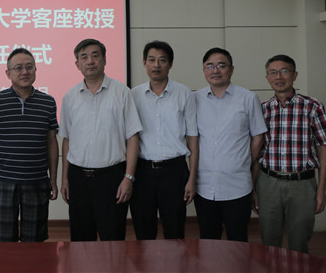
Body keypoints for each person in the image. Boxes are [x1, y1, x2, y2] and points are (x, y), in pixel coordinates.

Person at [59, 38, 142, 241]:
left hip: (112, 178)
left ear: (104, 60)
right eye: (84, 57)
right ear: (77, 64)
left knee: (112, 240)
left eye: (95, 56)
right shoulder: (70, 97)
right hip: (78, 179)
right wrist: (65, 178)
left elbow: (133, 137)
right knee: (81, 241)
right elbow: (67, 140)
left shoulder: (122, 93)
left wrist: (128, 178)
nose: (90, 61)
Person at [254, 54, 326, 253]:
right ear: (267, 77)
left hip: (302, 184)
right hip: (268, 183)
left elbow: (323, 149)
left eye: (284, 71)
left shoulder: (312, 107)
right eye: (273, 72)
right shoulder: (262, 110)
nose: (279, 77)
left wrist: (321, 189)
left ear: (294, 75)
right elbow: (256, 153)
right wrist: (254, 189)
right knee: (269, 241)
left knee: (299, 242)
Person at [0, 48, 59, 242]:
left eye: (29, 67)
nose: (25, 72)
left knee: (34, 241)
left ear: (35, 70)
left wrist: (53, 180)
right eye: (18, 68)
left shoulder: (48, 102)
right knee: (4, 241)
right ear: (8, 73)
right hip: (3, 180)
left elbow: (51, 143)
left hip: (37, 181)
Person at [193, 47, 267, 242]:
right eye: (210, 66)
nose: (215, 70)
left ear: (231, 69)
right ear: (204, 70)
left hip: (237, 185)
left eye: (221, 65)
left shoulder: (248, 98)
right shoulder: (195, 99)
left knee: (238, 240)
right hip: (204, 186)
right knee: (208, 240)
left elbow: (258, 136)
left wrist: (244, 160)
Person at [130, 40, 198, 240]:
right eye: (152, 60)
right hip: (142, 172)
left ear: (170, 64)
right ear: (144, 63)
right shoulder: (134, 95)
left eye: (162, 60)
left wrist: (192, 179)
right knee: (143, 233)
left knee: (175, 232)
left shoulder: (184, 93)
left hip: (174, 171)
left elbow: (193, 138)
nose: (156, 65)